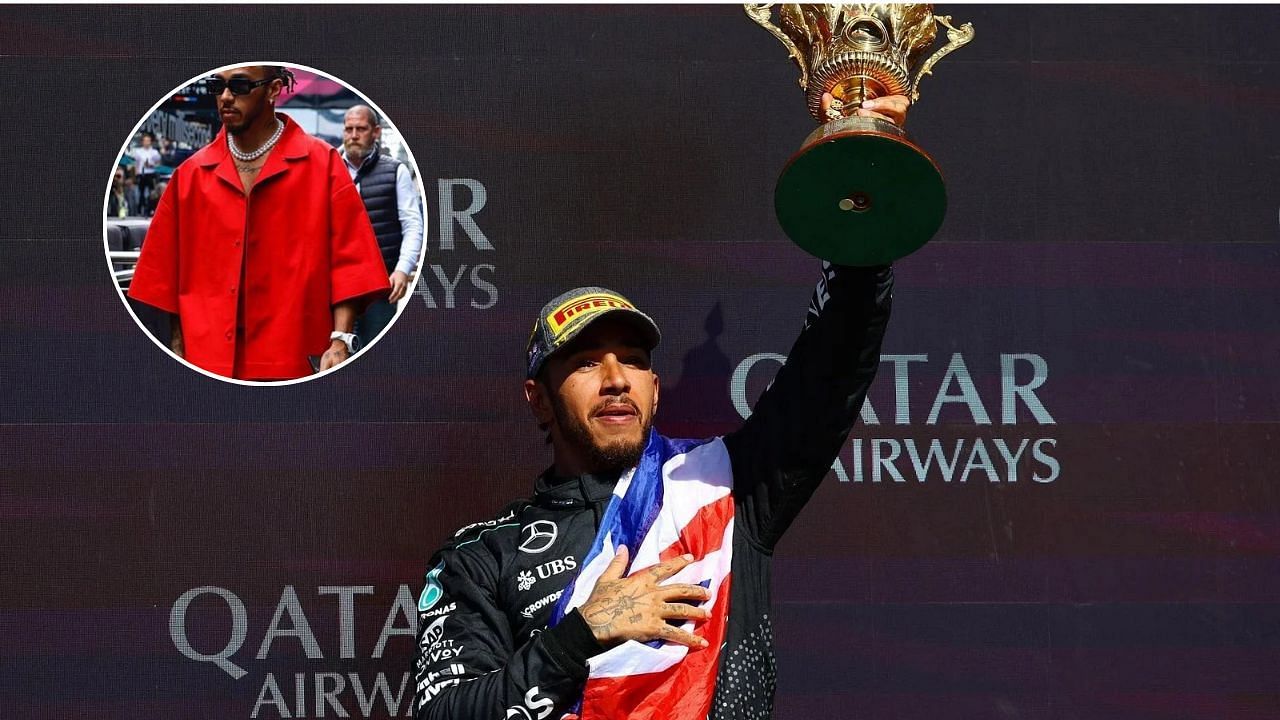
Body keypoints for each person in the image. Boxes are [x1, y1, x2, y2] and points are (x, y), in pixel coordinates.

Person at [411, 96, 907, 720]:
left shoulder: (724, 484)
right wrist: (582, 635)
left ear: (655, 387)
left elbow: (832, 368)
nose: (617, 379)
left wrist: (858, 166)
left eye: (634, 360)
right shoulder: (482, 556)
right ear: (538, 398)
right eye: (587, 362)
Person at [127, 65, 390, 381]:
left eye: (239, 85)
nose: (225, 96)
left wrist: (341, 339)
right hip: (206, 359)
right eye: (217, 86)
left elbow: (351, 262)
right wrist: (177, 343)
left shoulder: (323, 164)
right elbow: (161, 272)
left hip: (295, 358)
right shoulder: (190, 175)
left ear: (274, 90)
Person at [340, 104, 424, 350]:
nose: (353, 135)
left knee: (374, 353)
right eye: (349, 129)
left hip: (380, 283)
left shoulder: (395, 170)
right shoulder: (327, 165)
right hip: (336, 283)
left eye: (361, 129)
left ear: (376, 132)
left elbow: (412, 224)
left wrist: (402, 269)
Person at [129, 132, 161, 216]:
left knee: (152, 192)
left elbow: (158, 163)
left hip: (151, 173)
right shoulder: (138, 151)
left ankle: (151, 209)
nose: (147, 142)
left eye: (148, 140)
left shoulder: (154, 152)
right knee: (141, 192)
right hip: (141, 173)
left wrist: (152, 164)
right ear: (142, 142)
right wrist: (135, 175)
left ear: (150, 142)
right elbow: (136, 163)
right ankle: (140, 210)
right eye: (145, 140)